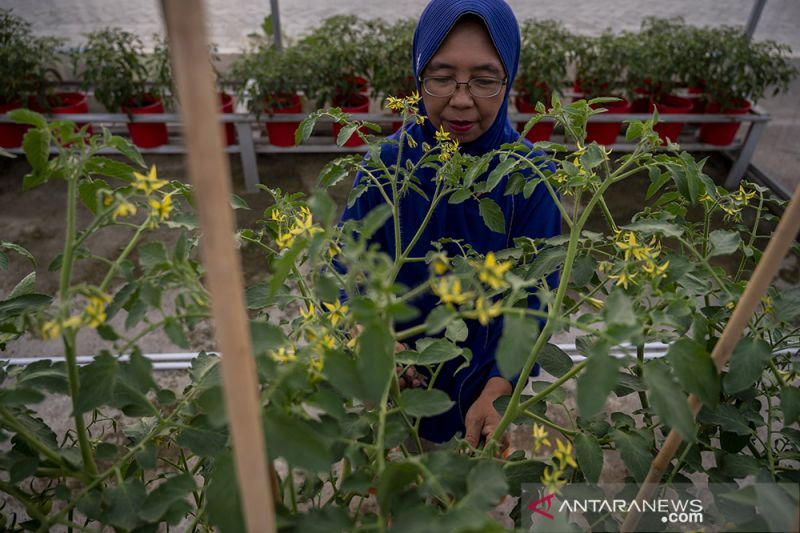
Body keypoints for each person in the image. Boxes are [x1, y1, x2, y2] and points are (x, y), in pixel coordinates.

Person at [339, 0, 561, 447]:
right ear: (418, 76)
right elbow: (346, 268)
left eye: (484, 79)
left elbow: (539, 299)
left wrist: (500, 390)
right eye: (440, 78)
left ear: (509, 77)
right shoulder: (387, 167)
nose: (461, 100)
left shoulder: (530, 177)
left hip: (484, 388)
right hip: (399, 385)